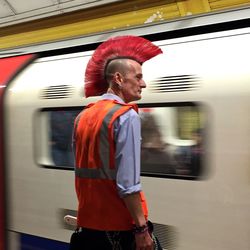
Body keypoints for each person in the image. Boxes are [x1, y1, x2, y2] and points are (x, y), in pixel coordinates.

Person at [71, 35, 162, 250]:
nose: (144, 84)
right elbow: (128, 184)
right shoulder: (125, 116)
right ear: (119, 79)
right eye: (138, 77)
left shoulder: (82, 117)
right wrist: (141, 229)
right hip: (119, 227)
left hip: (89, 225)